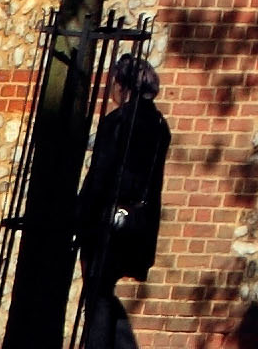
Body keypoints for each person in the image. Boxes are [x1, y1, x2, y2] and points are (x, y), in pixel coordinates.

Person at [75, 51, 167, 349]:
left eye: (114, 82)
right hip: (138, 223)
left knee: (97, 295)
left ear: (122, 86)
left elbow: (101, 176)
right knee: (102, 292)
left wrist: (80, 216)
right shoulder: (159, 124)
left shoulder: (117, 122)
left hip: (107, 221)